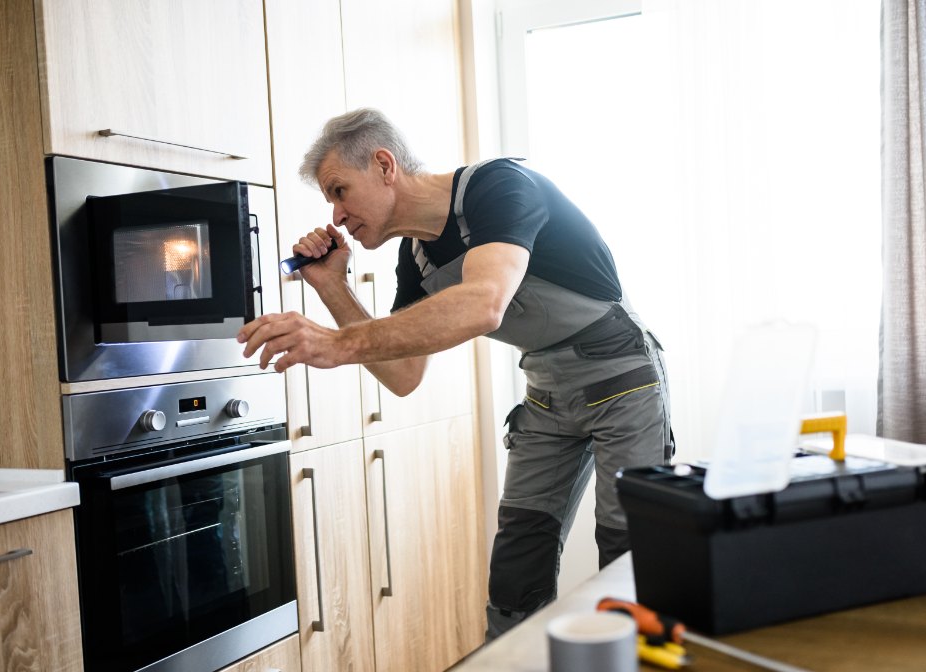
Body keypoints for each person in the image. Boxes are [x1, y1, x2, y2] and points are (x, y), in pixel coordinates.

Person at [238, 107, 673, 639]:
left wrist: (335, 343)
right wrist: (332, 287)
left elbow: (484, 302)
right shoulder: (414, 257)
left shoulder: (498, 188)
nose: (335, 215)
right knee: (518, 561)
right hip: (547, 396)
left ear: (383, 165)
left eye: (339, 191)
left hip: (622, 378)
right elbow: (402, 375)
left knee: (626, 553)